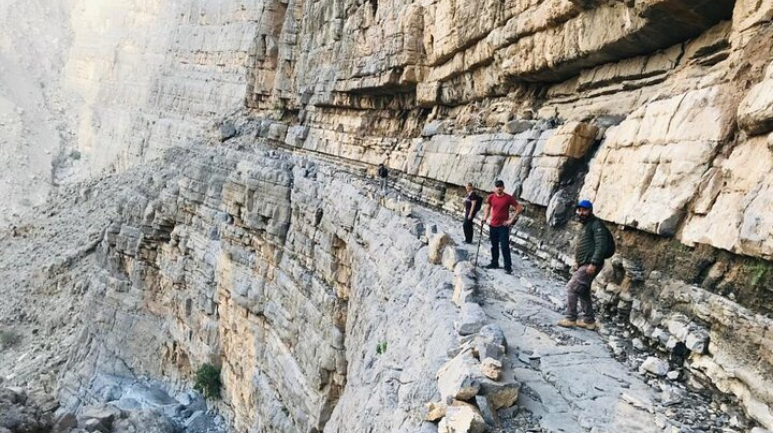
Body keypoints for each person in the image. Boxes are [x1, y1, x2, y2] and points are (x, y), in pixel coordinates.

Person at [557, 200, 614, 331]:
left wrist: (593, 263)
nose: (581, 213)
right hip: (585, 263)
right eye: (579, 210)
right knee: (583, 290)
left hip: (592, 264)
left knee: (572, 287)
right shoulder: (586, 225)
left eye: (584, 210)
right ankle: (589, 321)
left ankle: (571, 318)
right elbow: (584, 245)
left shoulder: (596, 225)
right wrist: (578, 261)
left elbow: (601, 245)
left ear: (590, 211)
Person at [482, 180, 523, 275]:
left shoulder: (508, 198)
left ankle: (508, 267)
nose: (498, 188)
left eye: (500, 186)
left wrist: (511, 220)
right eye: (497, 186)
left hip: (503, 226)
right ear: (494, 188)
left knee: (505, 246)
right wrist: (485, 217)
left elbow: (519, 208)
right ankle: (494, 263)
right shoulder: (491, 197)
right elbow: (487, 207)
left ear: (503, 187)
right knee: (494, 246)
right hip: (493, 225)